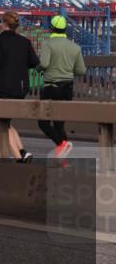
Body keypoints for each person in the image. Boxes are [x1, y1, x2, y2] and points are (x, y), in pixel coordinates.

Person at [0, 11, 39, 163]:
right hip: (20, 87)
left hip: (4, 86)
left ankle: (18, 157)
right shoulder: (24, 42)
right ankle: (22, 150)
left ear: (4, 24)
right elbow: (34, 62)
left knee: (1, 123)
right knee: (7, 122)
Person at [36, 15, 87, 158]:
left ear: (52, 28)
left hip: (51, 87)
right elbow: (82, 70)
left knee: (43, 122)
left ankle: (61, 144)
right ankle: (64, 152)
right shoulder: (75, 47)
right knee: (59, 123)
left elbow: (44, 64)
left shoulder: (48, 44)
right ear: (65, 29)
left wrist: (37, 68)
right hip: (67, 89)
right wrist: (67, 69)